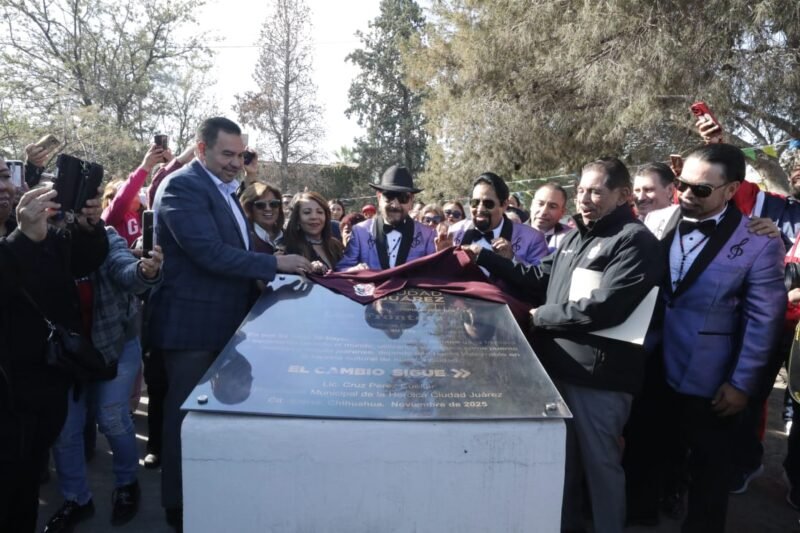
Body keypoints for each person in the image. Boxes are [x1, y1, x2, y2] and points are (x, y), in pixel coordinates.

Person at [466, 157, 664, 533]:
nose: (584, 199)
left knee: (600, 467)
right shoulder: (574, 237)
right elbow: (538, 277)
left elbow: (607, 307)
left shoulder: (635, 242)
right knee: (562, 466)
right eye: (581, 191)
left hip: (599, 381)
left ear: (623, 194)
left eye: (596, 192)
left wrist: (539, 317)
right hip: (557, 372)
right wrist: (486, 258)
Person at [149, 117, 311, 530]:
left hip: (226, 325)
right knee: (186, 420)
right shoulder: (182, 187)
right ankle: (180, 508)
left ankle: (213, 495)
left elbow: (232, 251)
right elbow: (208, 252)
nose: (236, 163)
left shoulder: (224, 190)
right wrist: (274, 265)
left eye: (241, 155)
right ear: (201, 149)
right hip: (191, 328)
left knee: (221, 419)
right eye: (227, 154)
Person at [651, 143, 786, 532]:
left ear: (731, 190)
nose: (686, 195)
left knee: (710, 477)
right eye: (681, 184)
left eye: (701, 189)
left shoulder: (759, 241)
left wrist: (741, 384)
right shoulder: (657, 221)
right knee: (657, 454)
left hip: (712, 378)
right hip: (653, 366)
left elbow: (764, 320)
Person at [1, 179, 109, 533]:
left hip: (40, 392)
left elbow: (77, 264)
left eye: (5, 175)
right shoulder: (22, 234)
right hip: (9, 396)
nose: (4, 186)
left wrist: (88, 228)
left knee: (23, 492)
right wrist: (23, 240)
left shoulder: (32, 227)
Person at [44, 230, 164, 532]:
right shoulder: (42, 240)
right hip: (67, 354)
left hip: (114, 345)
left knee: (111, 416)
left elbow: (126, 271)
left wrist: (145, 271)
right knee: (65, 429)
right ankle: (77, 499)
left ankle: (127, 483)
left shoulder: (106, 238)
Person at [336, 165, 435, 272]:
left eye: (403, 198)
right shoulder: (360, 232)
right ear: (379, 198)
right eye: (389, 196)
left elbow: (436, 273)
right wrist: (354, 270)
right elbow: (342, 269)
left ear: (411, 201)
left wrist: (443, 251)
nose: (395, 205)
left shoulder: (428, 234)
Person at [448, 172, 548, 267]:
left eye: (488, 204)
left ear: (504, 205)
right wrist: (443, 254)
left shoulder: (532, 239)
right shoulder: (454, 232)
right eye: (475, 202)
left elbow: (540, 277)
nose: (480, 209)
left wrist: (512, 259)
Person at [102, 143, 168, 246]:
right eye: (122, 188)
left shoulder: (144, 212)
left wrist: (171, 163)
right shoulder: (109, 217)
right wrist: (146, 166)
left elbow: (158, 192)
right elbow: (123, 198)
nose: (134, 190)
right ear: (111, 200)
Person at [282, 191, 344, 274]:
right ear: (297, 218)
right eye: (307, 212)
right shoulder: (288, 247)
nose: (314, 217)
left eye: (319, 212)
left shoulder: (336, 245)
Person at [239, 182, 285, 254]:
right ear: (249, 208)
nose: (268, 209)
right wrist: (271, 260)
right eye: (260, 205)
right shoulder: (243, 238)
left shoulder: (289, 236)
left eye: (274, 204)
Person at [529, 182, 571, 252]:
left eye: (552, 206)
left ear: (562, 212)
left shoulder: (571, 238)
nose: (544, 212)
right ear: (531, 205)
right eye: (540, 204)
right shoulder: (513, 234)